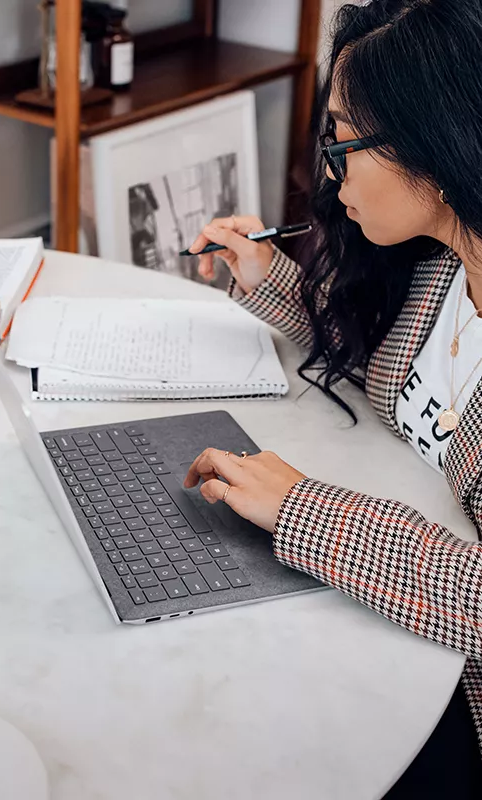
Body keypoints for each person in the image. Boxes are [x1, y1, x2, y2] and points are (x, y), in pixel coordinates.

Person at [183, 1, 482, 796]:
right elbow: (401, 394)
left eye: (343, 138)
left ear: (439, 141)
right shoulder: (444, 266)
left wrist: (303, 511)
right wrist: (271, 283)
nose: (328, 167)